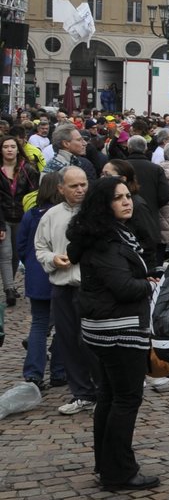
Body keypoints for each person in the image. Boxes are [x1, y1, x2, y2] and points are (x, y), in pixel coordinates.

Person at [66, 176, 157, 490]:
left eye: (127, 196)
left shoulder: (111, 234)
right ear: (104, 205)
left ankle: (106, 466)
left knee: (110, 396)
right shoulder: (107, 240)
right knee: (126, 399)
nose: (127, 201)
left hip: (105, 327)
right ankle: (119, 471)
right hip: (118, 329)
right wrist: (150, 284)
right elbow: (123, 286)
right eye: (118, 198)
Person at [37, 166, 95, 415]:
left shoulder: (96, 212)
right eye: (74, 186)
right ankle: (82, 393)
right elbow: (40, 247)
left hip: (91, 288)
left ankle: (102, 391)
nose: (80, 189)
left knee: (92, 343)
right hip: (62, 288)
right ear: (61, 188)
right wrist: (52, 259)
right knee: (68, 343)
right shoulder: (51, 216)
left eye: (83, 184)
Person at [17, 172, 63, 390]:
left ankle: (34, 374)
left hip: (37, 275)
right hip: (59, 274)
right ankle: (59, 371)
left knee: (39, 324)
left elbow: (22, 245)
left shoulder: (32, 214)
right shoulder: (63, 215)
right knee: (63, 325)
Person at [0, 135, 38, 305]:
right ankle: (8, 288)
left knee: (16, 254)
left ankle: (11, 284)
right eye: (6, 146)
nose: (9, 150)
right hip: (3, 216)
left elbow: (34, 194)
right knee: (5, 253)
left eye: (12, 146)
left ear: (18, 149)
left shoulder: (28, 170)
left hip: (22, 218)